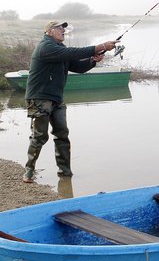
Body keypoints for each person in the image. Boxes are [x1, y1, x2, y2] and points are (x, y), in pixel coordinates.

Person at [22, 21, 118, 183]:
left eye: (64, 28)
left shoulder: (61, 50)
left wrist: (93, 60)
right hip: (39, 98)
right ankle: (29, 170)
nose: (63, 30)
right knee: (40, 136)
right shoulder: (46, 47)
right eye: (60, 28)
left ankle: (65, 173)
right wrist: (101, 45)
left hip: (56, 98)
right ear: (49, 32)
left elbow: (78, 66)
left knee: (62, 134)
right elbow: (74, 53)